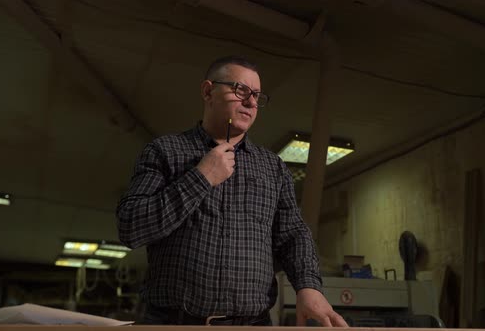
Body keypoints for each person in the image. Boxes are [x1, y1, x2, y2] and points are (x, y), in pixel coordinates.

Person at [116, 55, 347, 327]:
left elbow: (293, 235)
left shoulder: (273, 167)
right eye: (240, 91)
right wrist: (201, 177)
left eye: (257, 96)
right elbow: (131, 226)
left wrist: (309, 287)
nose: (251, 102)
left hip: (252, 324)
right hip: (173, 323)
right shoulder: (164, 152)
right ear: (207, 91)